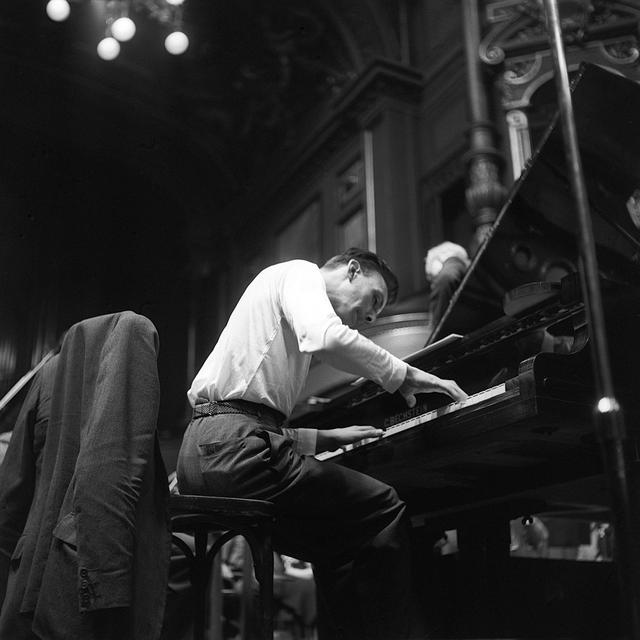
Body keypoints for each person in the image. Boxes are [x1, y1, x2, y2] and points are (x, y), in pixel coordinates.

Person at [177, 247, 467, 640]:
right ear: (351, 271)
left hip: (206, 450)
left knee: (337, 542)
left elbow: (246, 413)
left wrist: (324, 437)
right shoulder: (300, 273)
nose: (369, 318)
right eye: (374, 301)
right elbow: (327, 338)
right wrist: (405, 375)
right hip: (232, 452)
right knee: (384, 508)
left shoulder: (280, 304)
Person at [424, 241, 470, 329]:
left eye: (431, 278)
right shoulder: (465, 270)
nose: (432, 285)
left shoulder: (446, 275)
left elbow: (445, 279)